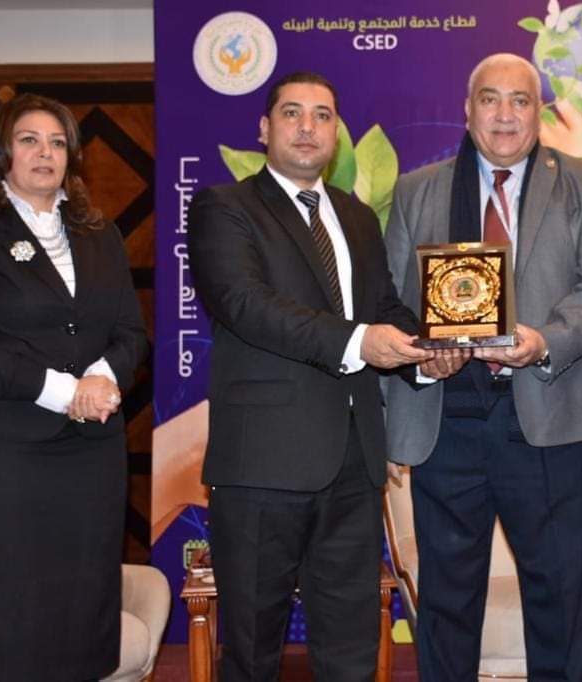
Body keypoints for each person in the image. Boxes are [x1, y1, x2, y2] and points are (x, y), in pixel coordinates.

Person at [383, 53, 582, 681]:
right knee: (445, 607)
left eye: (520, 100)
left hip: (546, 419)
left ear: (538, 113)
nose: (504, 114)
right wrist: (424, 353)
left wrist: (545, 341)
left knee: (558, 600)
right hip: (446, 423)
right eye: (490, 99)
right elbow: (391, 298)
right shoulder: (416, 189)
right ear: (467, 111)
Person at [187, 71, 431, 681]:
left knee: (350, 648)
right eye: (292, 113)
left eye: (322, 115)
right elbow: (246, 304)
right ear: (264, 128)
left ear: (337, 134)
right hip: (262, 464)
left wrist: (428, 354)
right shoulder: (225, 207)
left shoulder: (356, 216)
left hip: (353, 462)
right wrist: (359, 342)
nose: (307, 127)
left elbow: (383, 308)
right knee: (252, 650)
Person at [0, 93, 148, 680]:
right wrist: (63, 391)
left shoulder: (100, 233)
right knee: (8, 609)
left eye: (58, 142)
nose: (45, 152)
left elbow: (130, 332)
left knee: (83, 606)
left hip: (91, 452)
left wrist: (102, 379)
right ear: (1, 153)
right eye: (29, 140)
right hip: (4, 451)